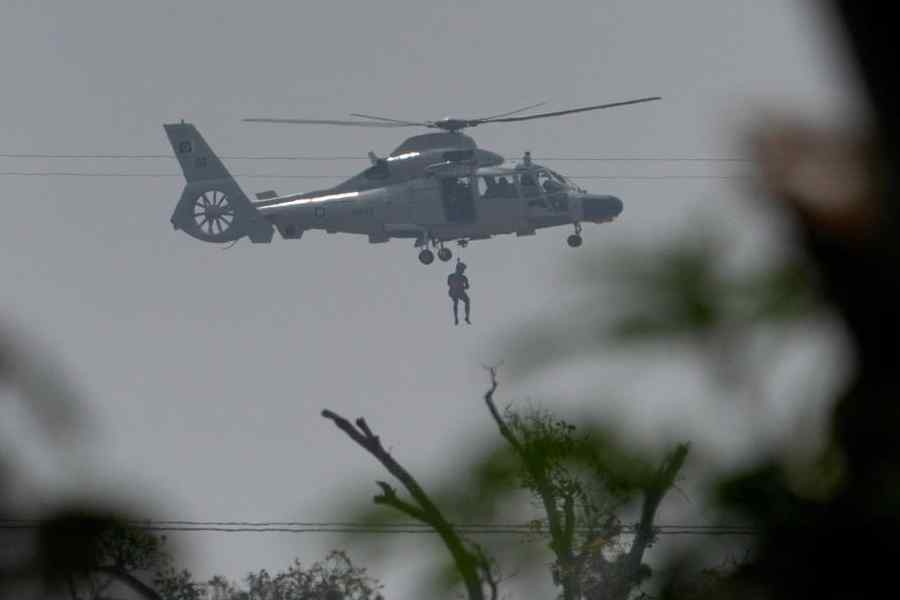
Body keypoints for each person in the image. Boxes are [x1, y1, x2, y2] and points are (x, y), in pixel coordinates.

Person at [447, 261, 471, 325]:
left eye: (463, 270)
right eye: (462, 269)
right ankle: (456, 318)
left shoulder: (463, 278)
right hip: (454, 291)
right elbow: (449, 284)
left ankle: (466, 317)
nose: (463, 271)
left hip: (460, 291)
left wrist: (463, 287)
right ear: (458, 269)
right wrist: (456, 285)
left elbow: (467, 286)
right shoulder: (451, 276)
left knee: (467, 301)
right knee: (456, 302)